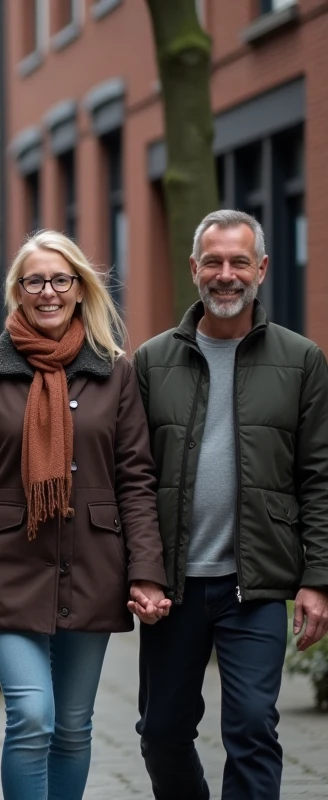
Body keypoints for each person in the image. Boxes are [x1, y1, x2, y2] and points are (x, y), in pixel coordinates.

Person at [0, 230, 169, 800]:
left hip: (93, 567)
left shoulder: (114, 371)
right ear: (17, 291)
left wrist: (146, 571)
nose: (48, 291)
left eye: (60, 280)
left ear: (80, 289)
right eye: (35, 280)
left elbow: (136, 479)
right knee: (33, 716)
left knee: (72, 726)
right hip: (9, 567)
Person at [133, 209, 328, 800]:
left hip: (258, 583)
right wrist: (142, 572)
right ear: (194, 269)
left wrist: (318, 579)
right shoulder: (151, 361)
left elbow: (318, 476)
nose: (226, 275)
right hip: (175, 585)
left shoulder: (301, 361)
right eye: (213, 262)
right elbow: (134, 479)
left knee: (251, 726)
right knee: (162, 732)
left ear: (262, 269)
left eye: (239, 262)